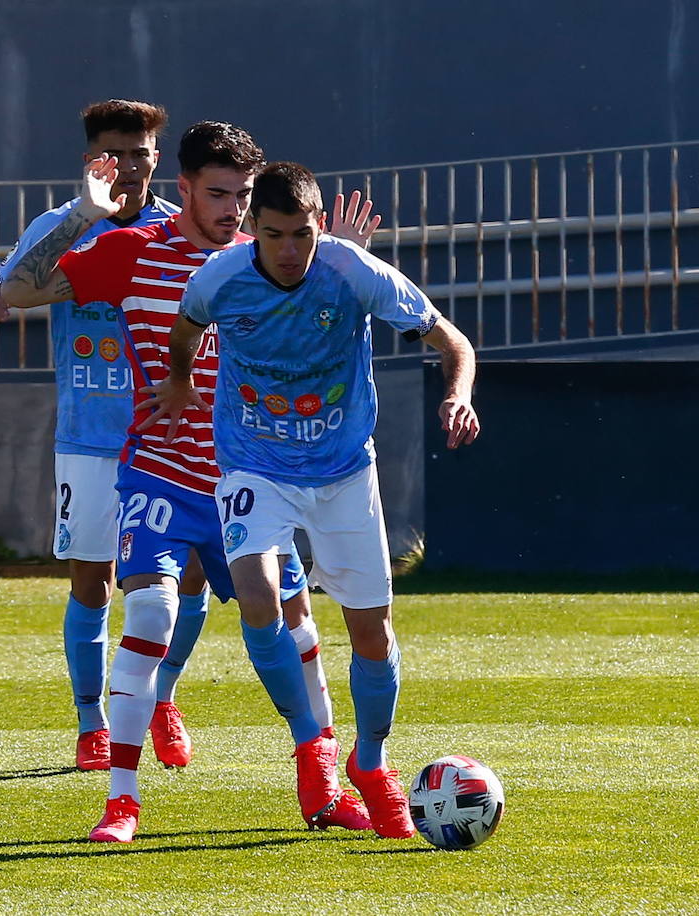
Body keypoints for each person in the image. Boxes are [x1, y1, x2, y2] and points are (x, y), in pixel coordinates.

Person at [0, 123, 379, 843]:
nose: (234, 209)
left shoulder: (267, 257)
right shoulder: (132, 251)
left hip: (249, 481)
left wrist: (349, 267)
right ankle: (121, 802)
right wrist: (83, 214)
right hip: (161, 474)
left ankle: (322, 786)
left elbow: (325, 331)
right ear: (184, 190)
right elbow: (13, 291)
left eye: (243, 194)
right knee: (148, 617)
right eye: (218, 194)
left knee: (298, 632)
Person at [145, 161, 480, 839]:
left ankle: (372, 764)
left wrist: (459, 394)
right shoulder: (220, 279)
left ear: (319, 225)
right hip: (253, 467)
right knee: (258, 596)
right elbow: (184, 331)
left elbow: (453, 342)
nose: (290, 249)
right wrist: (179, 382)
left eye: (301, 233)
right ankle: (311, 746)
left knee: (372, 635)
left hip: (344, 474)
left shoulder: (354, 272)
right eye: (274, 235)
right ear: (254, 231)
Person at [0, 99, 205, 772]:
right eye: (114, 154)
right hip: (89, 436)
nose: (128, 167)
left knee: (186, 577)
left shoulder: (183, 230)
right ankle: (91, 723)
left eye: (141, 153)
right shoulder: (62, 225)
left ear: (159, 158)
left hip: (167, 434)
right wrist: (82, 218)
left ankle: (162, 699)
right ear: (91, 159)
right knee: (92, 580)